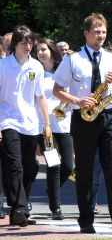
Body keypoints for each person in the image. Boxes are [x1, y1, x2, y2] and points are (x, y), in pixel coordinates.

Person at [53, 13, 112, 234]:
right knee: (86, 171)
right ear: (86, 33)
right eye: (96, 31)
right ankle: (86, 220)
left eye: (104, 31)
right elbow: (56, 89)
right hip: (83, 117)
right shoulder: (73, 59)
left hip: (108, 115)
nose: (101, 35)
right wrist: (77, 101)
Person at [0, 25, 50, 227]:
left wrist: (47, 123)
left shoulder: (36, 67)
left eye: (31, 42)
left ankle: (17, 207)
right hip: (8, 120)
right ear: (15, 45)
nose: (28, 46)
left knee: (30, 168)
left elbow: (41, 97)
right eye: (24, 42)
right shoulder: (3, 66)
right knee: (15, 165)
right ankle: (20, 208)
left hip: (31, 124)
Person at [34, 38, 74, 220]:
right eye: (38, 50)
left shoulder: (63, 70)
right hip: (45, 126)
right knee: (53, 164)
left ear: (50, 50)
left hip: (64, 124)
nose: (40, 53)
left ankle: (52, 189)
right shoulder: (35, 71)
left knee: (68, 165)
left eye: (43, 49)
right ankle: (55, 207)